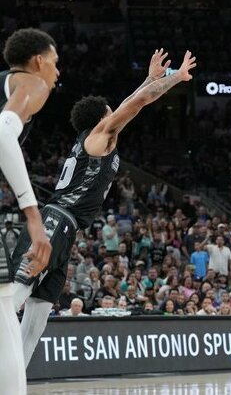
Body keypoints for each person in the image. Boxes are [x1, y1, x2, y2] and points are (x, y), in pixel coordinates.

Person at [11, 48, 196, 367]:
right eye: (112, 112)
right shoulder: (100, 135)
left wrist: (150, 79)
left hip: (66, 231)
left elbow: (131, 102)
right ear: (102, 117)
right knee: (15, 295)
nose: (117, 115)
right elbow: (136, 104)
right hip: (55, 221)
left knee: (37, 318)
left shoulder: (95, 137)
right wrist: (174, 78)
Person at [0, 27, 58, 395]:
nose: (57, 72)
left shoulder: (4, 81)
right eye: (55, 62)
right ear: (38, 61)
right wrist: (34, 218)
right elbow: (2, 135)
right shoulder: (33, 84)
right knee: (4, 314)